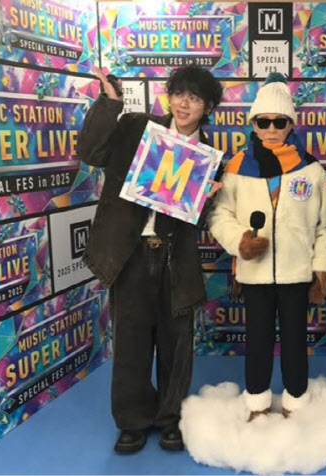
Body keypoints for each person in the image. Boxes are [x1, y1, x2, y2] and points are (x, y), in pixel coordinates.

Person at [77, 65, 223, 454]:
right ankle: (132, 420)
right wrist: (109, 103)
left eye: (194, 98)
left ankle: (170, 418)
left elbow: (200, 222)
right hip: (130, 253)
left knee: (178, 344)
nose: (184, 104)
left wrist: (206, 199)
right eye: (178, 94)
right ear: (169, 97)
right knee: (131, 342)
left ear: (208, 107)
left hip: (177, 258)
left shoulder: (209, 157)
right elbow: (90, 152)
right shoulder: (136, 127)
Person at [208, 73, 326, 421]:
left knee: (295, 341)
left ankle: (296, 401)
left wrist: (321, 268)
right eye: (263, 122)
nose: (270, 129)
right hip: (253, 274)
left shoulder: (311, 170)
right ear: (253, 123)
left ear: (291, 124)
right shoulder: (237, 167)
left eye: (279, 122)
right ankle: (257, 402)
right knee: (258, 341)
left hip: (298, 273)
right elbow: (220, 215)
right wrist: (240, 241)